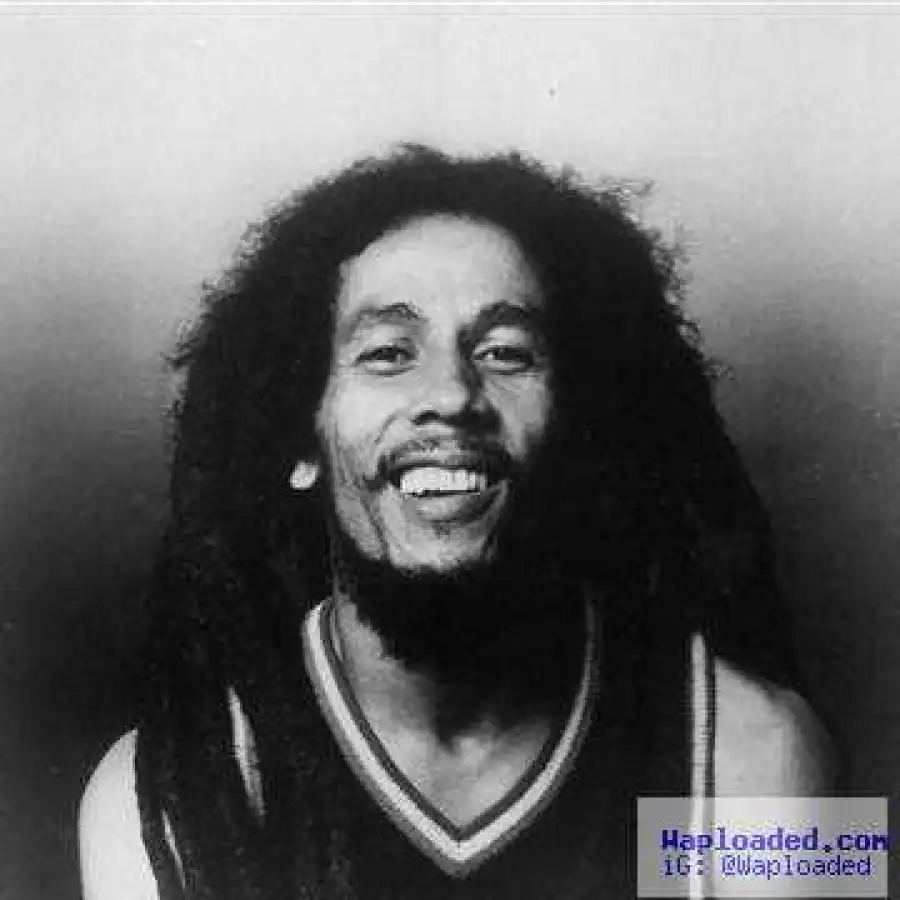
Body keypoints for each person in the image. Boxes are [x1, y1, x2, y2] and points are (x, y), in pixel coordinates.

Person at [78, 145, 833, 900]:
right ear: (298, 438)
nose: (450, 393)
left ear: (578, 428)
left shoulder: (753, 761)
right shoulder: (166, 799)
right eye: (387, 353)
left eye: (505, 353)